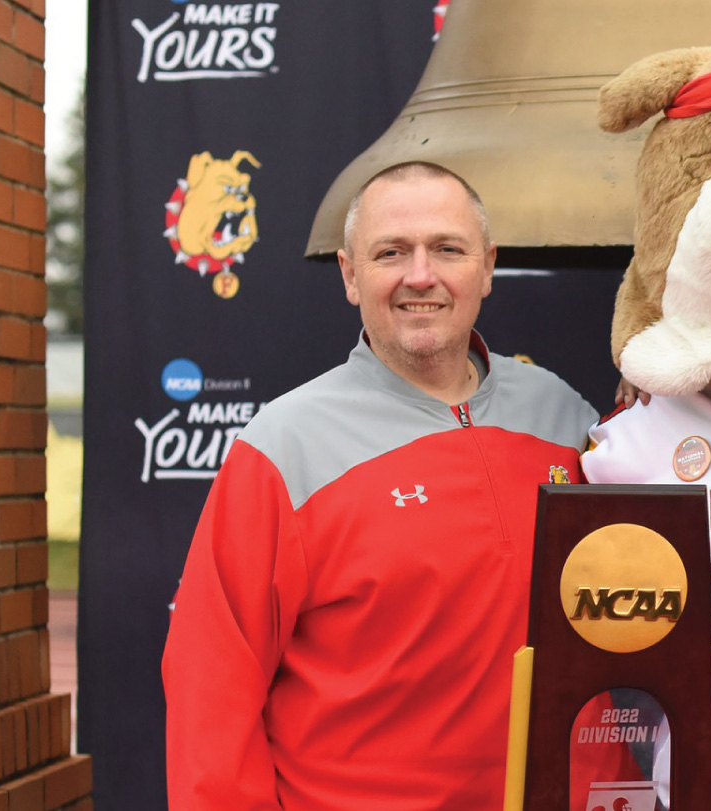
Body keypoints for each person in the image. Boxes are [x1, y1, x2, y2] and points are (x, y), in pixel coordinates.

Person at [162, 161, 598, 809]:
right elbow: (212, 688)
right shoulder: (284, 446)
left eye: (447, 249)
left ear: (487, 267)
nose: (420, 275)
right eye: (391, 252)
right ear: (349, 274)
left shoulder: (566, 417)